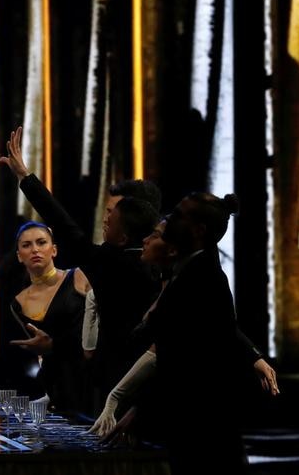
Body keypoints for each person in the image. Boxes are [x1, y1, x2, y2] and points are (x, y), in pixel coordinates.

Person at [1, 126, 160, 411]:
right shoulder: (152, 259)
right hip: (101, 385)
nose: (105, 220)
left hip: (130, 386)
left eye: (112, 214)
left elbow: (65, 225)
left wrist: (25, 178)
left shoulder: (114, 264)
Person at [139, 193, 249, 473]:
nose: (169, 219)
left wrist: (142, 407)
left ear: (198, 231)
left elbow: (189, 360)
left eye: (177, 215)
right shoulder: (189, 272)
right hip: (195, 424)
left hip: (203, 429)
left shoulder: (203, 280)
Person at [0, 221, 90, 412]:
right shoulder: (18, 303)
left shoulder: (79, 277)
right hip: (57, 385)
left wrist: (53, 345)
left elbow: (96, 332)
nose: (35, 249)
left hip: (90, 376)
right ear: (20, 256)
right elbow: (41, 354)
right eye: (27, 245)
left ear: (53, 250)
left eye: (41, 242)